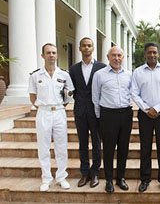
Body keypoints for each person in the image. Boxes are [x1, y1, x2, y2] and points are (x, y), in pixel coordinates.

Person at [28, 43, 74, 191]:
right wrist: (43, 107)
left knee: (61, 146)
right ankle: (46, 178)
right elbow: (32, 96)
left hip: (59, 112)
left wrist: (59, 106)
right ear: (43, 55)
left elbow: (69, 94)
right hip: (43, 113)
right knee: (44, 147)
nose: (51, 55)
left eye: (54, 53)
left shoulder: (64, 75)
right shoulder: (35, 75)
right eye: (48, 53)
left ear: (57, 55)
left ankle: (61, 177)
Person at [131, 42, 160, 193]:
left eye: (154, 52)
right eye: (149, 52)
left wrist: (156, 108)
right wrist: (146, 109)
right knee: (145, 148)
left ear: (158, 54)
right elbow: (134, 93)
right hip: (144, 115)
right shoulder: (137, 72)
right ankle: (145, 179)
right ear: (145, 54)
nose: (152, 55)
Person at [92, 46, 133, 193]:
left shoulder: (129, 75)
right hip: (108, 115)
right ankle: (109, 180)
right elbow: (95, 98)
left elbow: (133, 94)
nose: (117, 58)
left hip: (126, 114)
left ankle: (120, 178)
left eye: (119, 56)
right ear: (108, 57)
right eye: (113, 55)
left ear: (123, 58)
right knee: (108, 150)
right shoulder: (99, 75)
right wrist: (99, 117)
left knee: (123, 148)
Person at [69, 37, 106, 188]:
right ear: (79, 48)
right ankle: (85, 173)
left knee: (97, 143)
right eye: (83, 46)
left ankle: (95, 173)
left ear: (93, 48)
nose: (86, 48)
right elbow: (71, 90)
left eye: (89, 45)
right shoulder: (73, 69)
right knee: (82, 143)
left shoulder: (102, 67)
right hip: (80, 111)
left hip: (96, 111)